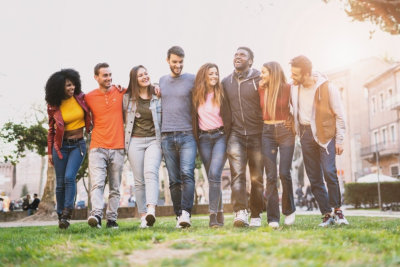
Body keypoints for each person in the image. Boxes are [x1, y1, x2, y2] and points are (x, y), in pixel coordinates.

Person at [289, 55, 348, 226]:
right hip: (306, 135)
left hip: (325, 135)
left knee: (329, 171)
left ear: (307, 74)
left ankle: (338, 211)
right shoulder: (294, 88)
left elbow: (340, 115)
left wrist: (340, 139)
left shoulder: (328, 87)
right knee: (314, 177)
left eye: (295, 74)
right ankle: (326, 215)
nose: (292, 77)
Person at [221, 47, 264, 227]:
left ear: (251, 61)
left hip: (258, 134)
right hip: (236, 135)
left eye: (242, 55)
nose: (238, 57)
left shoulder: (260, 78)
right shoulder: (226, 82)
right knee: (237, 175)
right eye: (236, 54)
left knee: (257, 177)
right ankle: (240, 212)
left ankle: (256, 214)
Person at [45, 68, 91, 229]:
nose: (72, 88)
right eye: (68, 86)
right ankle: (60, 215)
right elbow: (51, 130)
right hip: (60, 147)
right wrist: (49, 151)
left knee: (69, 177)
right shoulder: (53, 106)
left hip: (78, 144)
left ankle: (67, 212)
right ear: (59, 88)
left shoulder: (81, 98)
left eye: (73, 85)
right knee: (60, 183)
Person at [159, 46, 196, 228]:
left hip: (187, 134)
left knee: (187, 174)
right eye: (174, 62)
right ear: (168, 61)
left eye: (181, 62)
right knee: (173, 179)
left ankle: (186, 214)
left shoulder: (192, 79)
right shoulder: (161, 81)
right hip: (167, 136)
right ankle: (178, 214)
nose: (178, 65)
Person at [85, 63, 126, 229]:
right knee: (97, 183)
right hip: (97, 147)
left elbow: (140, 88)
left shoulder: (121, 91)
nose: (109, 78)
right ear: (96, 77)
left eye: (110, 75)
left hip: (118, 147)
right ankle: (96, 214)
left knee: (115, 187)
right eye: (105, 75)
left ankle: (112, 220)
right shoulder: (89, 97)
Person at [192, 63, 231, 227]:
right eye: (211, 74)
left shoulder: (222, 92)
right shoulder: (196, 95)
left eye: (216, 73)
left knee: (215, 174)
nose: (214, 76)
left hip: (220, 136)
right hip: (203, 139)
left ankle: (213, 215)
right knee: (212, 178)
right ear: (204, 76)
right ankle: (220, 212)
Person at [123, 65, 162, 228]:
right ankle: (143, 217)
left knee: (150, 172)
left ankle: (151, 210)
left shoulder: (158, 94)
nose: (145, 77)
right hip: (135, 141)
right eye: (140, 75)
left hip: (154, 140)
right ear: (134, 79)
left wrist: (158, 87)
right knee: (139, 181)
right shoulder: (127, 98)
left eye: (146, 73)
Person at [259, 61, 296, 229]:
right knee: (271, 176)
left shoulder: (288, 88)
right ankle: (273, 217)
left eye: (264, 72)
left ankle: (289, 210)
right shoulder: (261, 89)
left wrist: (293, 122)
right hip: (267, 132)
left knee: (284, 172)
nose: (261, 75)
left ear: (272, 73)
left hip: (285, 131)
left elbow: (298, 108)